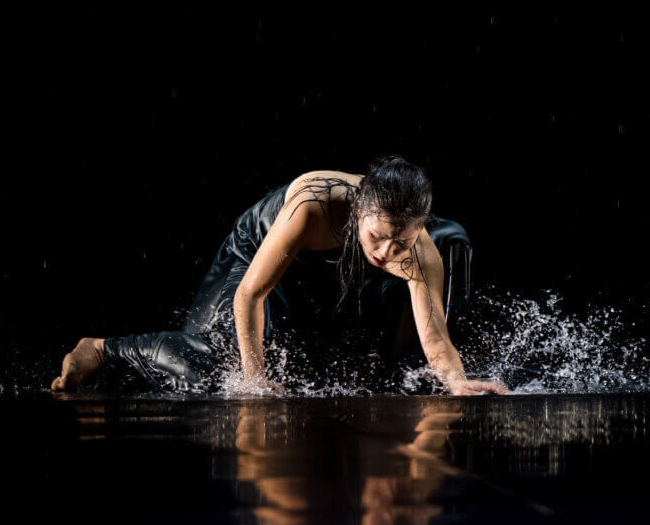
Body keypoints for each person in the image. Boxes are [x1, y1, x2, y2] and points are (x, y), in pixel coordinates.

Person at [50, 155, 508, 396]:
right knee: (211, 370)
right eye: (378, 236)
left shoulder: (418, 250)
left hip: (315, 270)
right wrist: (254, 379)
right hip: (257, 253)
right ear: (359, 211)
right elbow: (250, 294)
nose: (387, 254)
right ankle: (104, 349)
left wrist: (454, 380)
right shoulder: (314, 205)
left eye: (401, 243)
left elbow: (437, 340)